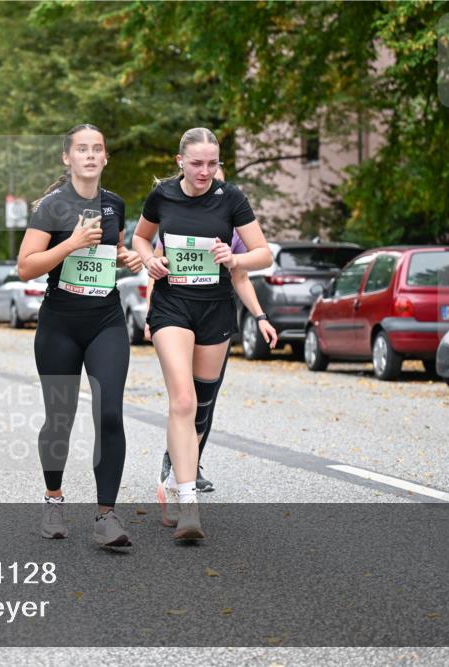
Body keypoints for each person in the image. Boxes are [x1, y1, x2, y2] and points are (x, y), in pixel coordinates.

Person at [132, 127, 272, 540]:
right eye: (196, 163)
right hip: (172, 305)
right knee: (183, 399)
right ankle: (189, 505)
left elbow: (262, 253)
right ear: (180, 162)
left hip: (215, 309)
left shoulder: (231, 198)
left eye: (212, 163)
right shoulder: (162, 196)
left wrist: (234, 255)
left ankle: (174, 479)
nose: (205, 171)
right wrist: (148, 261)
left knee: (203, 405)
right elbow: (141, 237)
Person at [17, 124, 144, 548]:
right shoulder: (51, 208)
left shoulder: (115, 206)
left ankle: (106, 515)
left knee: (109, 413)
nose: (90, 155)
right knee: (60, 417)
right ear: (67, 158)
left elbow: (113, 251)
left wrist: (126, 257)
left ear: (106, 158)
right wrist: (70, 243)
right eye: (82, 149)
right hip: (60, 325)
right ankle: (53, 500)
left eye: (98, 149)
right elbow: (26, 267)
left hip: (105, 319)